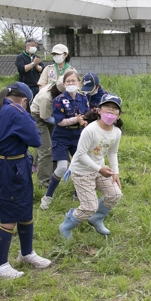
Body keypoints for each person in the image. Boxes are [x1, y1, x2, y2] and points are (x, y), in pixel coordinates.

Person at [0, 82, 51, 279]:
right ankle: (0, 265)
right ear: (24, 101)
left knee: (24, 210)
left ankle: (26, 253)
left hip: (9, 164)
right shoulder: (17, 112)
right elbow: (36, 140)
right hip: (9, 169)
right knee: (9, 216)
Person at [58, 94, 124, 239]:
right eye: (107, 107)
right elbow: (80, 154)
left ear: (119, 114)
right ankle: (66, 227)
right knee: (89, 207)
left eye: (115, 109)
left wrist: (116, 172)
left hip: (99, 168)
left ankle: (96, 218)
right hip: (82, 171)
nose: (111, 111)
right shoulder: (90, 130)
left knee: (115, 195)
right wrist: (99, 169)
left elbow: (113, 152)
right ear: (99, 110)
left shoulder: (116, 132)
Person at [40, 70, 88, 210]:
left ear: (78, 83)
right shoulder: (58, 100)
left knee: (80, 166)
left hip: (78, 136)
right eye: (68, 81)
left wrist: (85, 121)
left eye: (73, 81)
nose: (71, 83)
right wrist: (76, 119)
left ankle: (77, 195)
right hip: (61, 136)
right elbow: (60, 122)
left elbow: (85, 115)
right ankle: (47, 197)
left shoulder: (83, 98)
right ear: (64, 84)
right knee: (62, 167)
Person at [30, 75, 65, 188]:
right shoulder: (47, 97)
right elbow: (45, 117)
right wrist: (64, 122)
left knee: (55, 146)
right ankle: (43, 182)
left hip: (52, 116)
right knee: (46, 150)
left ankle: (53, 178)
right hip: (39, 118)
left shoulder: (61, 92)